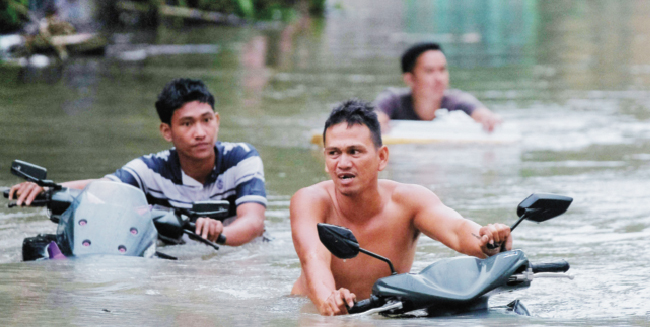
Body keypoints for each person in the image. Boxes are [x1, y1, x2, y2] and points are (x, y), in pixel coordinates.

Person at [290, 100, 511, 316]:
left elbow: (457, 228)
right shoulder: (309, 201)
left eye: (354, 151)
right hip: (312, 312)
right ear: (325, 160)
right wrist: (329, 300)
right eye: (334, 153)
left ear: (382, 158)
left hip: (383, 313)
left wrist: (489, 240)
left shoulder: (409, 201)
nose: (343, 163)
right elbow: (313, 259)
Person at [9, 78, 266, 246]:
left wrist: (217, 233)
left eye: (206, 120)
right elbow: (103, 188)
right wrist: (47, 190)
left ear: (217, 120)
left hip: (240, 255)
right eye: (187, 123)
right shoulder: (150, 170)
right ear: (167, 132)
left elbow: (253, 223)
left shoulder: (241, 158)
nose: (200, 132)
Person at [375, 42, 502, 132]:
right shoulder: (393, 101)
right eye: (429, 71)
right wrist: (377, 122)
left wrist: (489, 119)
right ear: (410, 79)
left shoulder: (457, 102)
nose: (439, 79)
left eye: (442, 70)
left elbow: (482, 114)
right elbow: (374, 118)